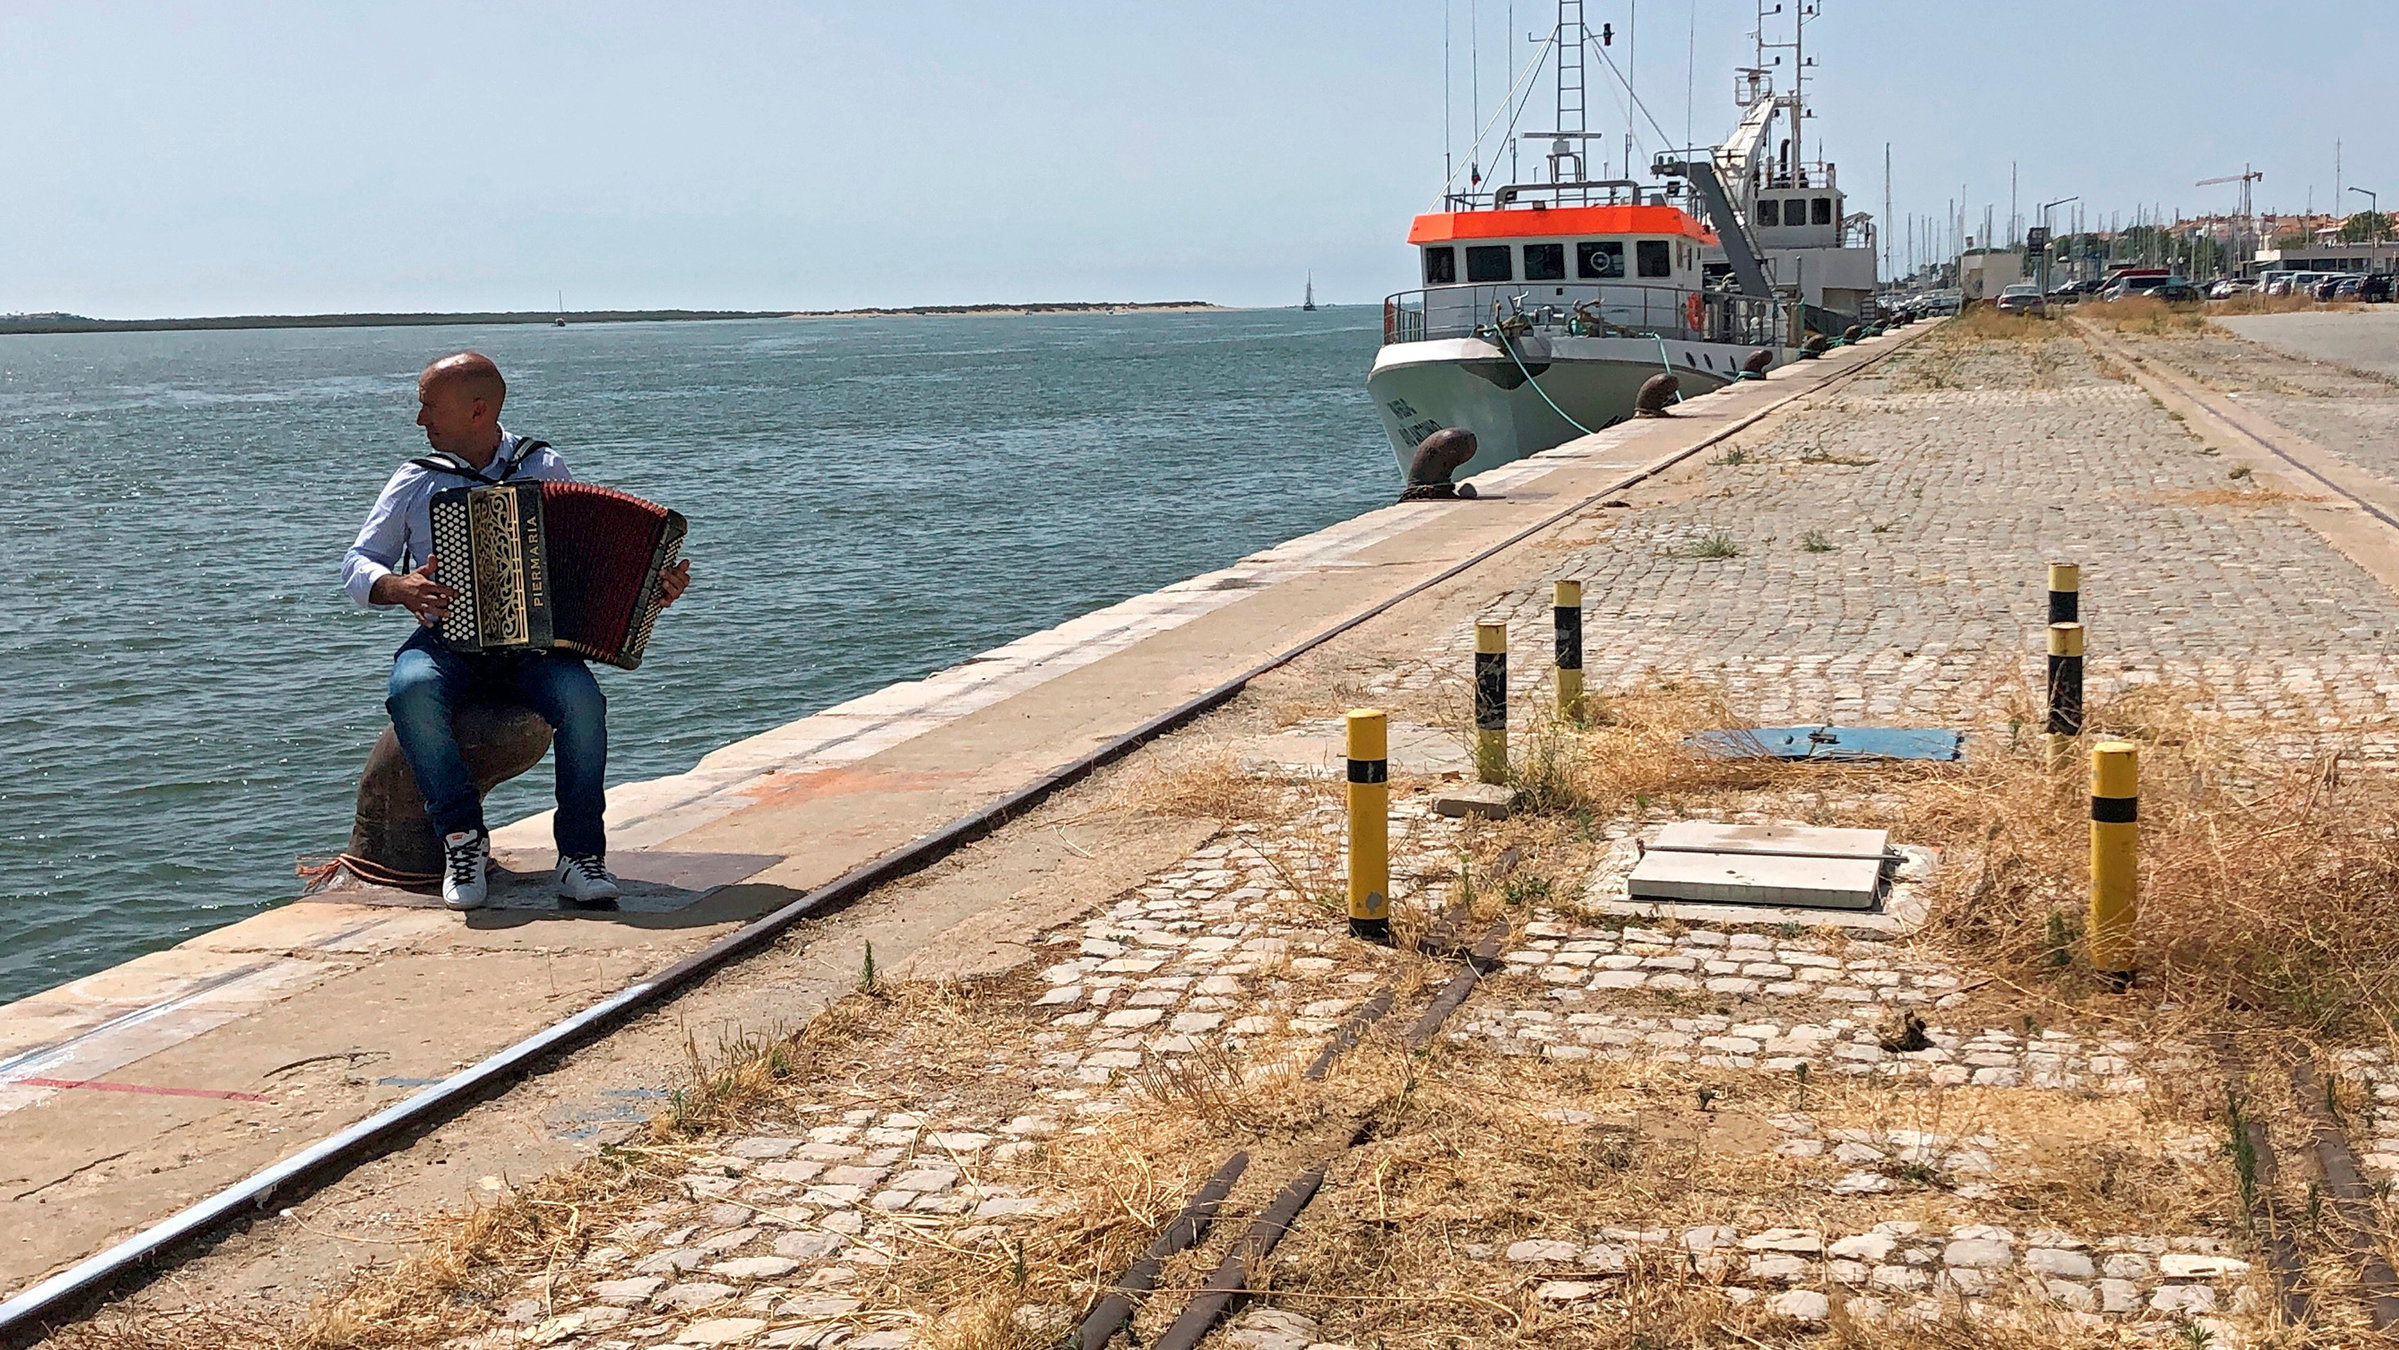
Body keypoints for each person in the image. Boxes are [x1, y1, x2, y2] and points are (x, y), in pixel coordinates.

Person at [342, 352, 690, 910]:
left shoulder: (543, 465)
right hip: (448, 640)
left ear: (477, 410)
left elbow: (590, 558)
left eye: (429, 406)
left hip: (537, 646)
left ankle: (580, 854)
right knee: (409, 690)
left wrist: (652, 589)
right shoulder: (415, 479)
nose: (419, 420)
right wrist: (397, 586)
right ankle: (462, 838)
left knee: (583, 703)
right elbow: (359, 561)